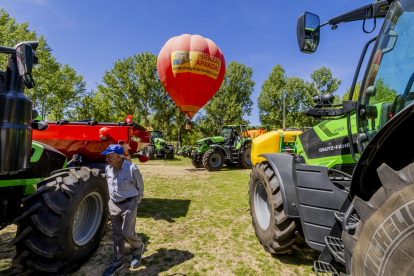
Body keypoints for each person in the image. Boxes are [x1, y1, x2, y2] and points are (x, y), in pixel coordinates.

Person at [101, 144, 145, 276]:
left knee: (127, 232)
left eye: (109, 157)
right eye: (106, 157)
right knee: (117, 235)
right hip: (113, 205)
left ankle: (137, 247)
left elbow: (140, 187)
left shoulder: (131, 168)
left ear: (119, 156)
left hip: (129, 204)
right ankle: (118, 261)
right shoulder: (108, 168)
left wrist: (136, 201)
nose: (107, 159)